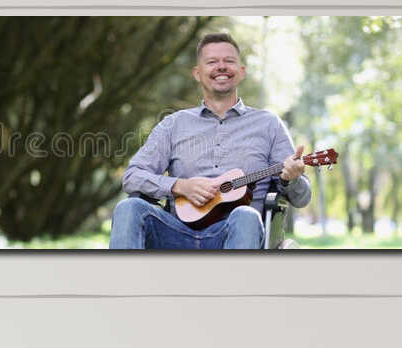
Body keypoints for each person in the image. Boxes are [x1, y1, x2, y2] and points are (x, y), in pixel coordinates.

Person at [111, 32, 311, 250]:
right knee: (128, 208)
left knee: (245, 215)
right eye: (212, 62)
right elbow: (132, 177)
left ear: (241, 71)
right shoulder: (173, 124)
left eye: (229, 61)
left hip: (240, 232)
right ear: (197, 73)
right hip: (177, 235)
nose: (221, 67)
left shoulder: (269, 124)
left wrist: (291, 179)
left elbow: (302, 198)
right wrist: (179, 186)